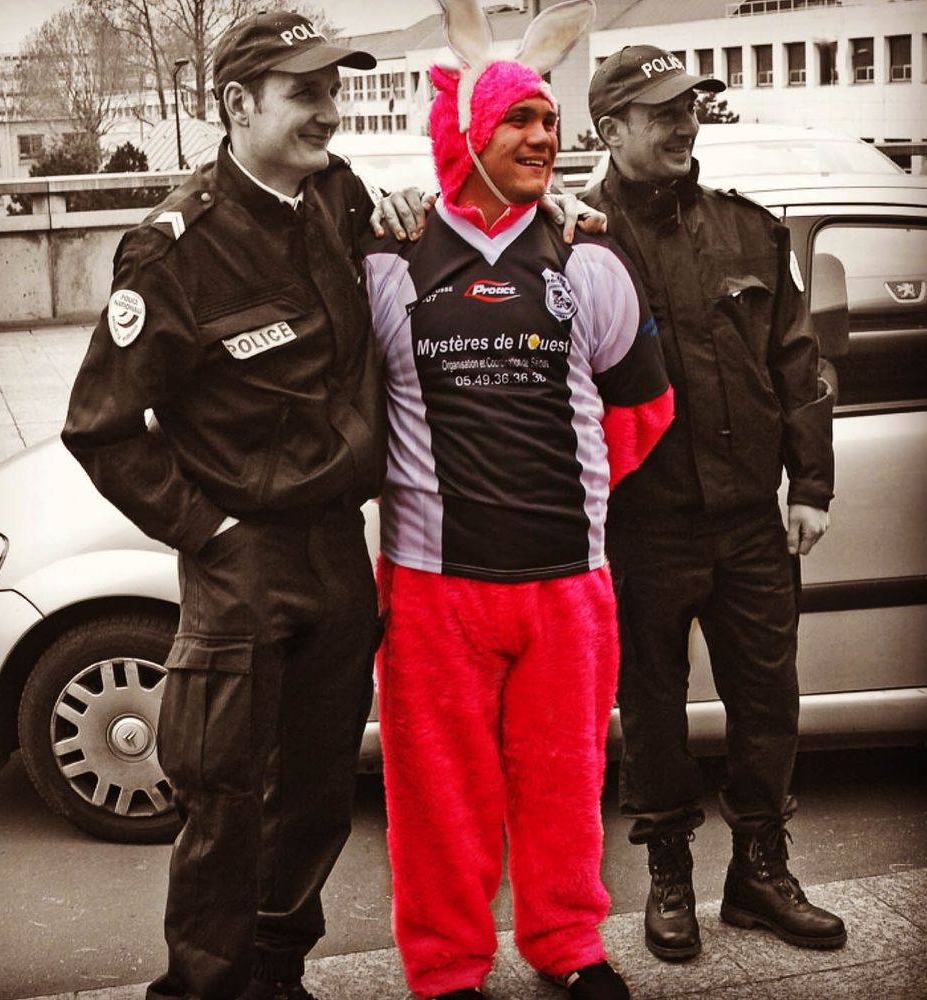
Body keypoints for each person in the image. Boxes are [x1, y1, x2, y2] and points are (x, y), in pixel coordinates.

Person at [62, 12, 396, 1000]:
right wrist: (207, 529)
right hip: (244, 564)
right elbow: (101, 427)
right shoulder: (174, 251)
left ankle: (278, 975)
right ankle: (205, 989)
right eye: (305, 93)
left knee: (318, 793)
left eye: (332, 91)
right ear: (238, 104)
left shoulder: (336, 197)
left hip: (337, 548)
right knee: (224, 804)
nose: (327, 111)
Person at [361, 3, 674, 998]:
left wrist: (563, 495)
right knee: (436, 795)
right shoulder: (389, 258)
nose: (544, 137)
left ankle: (566, 942)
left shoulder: (587, 255)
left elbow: (642, 410)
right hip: (432, 591)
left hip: (566, 588)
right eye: (520, 121)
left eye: (549, 120)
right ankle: (447, 964)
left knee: (565, 783)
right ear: (468, 135)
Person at [581, 46, 847, 962]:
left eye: (690, 108)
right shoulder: (575, 240)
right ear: (610, 129)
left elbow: (797, 361)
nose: (684, 125)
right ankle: (669, 878)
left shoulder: (747, 229)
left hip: (748, 521)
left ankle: (760, 875)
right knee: (652, 708)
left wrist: (810, 484)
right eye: (662, 112)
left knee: (768, 700)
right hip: (641, 525)